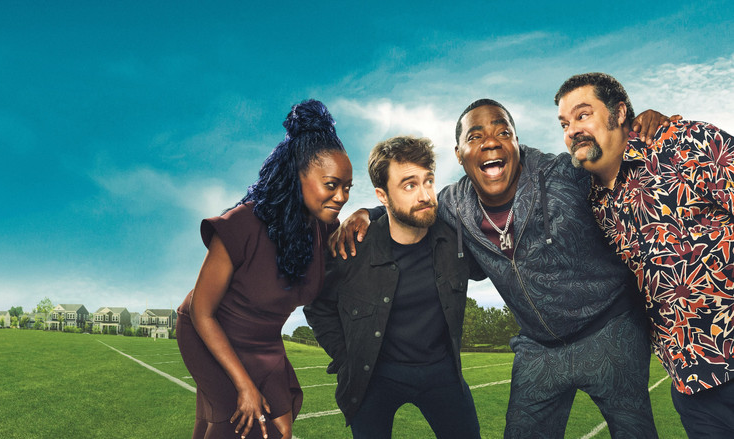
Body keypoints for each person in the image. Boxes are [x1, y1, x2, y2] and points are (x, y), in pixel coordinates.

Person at [331, 100, 676, 438]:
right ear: (459, 155)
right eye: (475, 136)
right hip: (539, 348)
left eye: (503, 132)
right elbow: (411, 207)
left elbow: (615, 160)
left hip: (610, 331)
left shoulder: (564, 174)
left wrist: (645, 130)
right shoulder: (453, 205)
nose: (490, 142)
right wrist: (368, 213)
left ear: (516, 142)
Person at [555, 72, 734, 438]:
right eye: (564, 124)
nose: (573, 130)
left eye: (583, 114)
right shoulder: (585, 201)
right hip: (692, 386)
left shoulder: (684, 143)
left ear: (620, 113)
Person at [176, 99, 353, 439]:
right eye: (332, 185)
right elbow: (201, 312)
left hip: (264, 343)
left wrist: (365, 215)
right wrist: (244, 385)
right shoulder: (242, 223)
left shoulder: (323, 226)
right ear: (297, 176)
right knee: (243, 425)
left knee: (280, 429)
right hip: (209, 331)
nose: (342, 197)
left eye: (348, 188)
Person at [304, 136, 484, 438]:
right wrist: (346, 358)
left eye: (428, 181)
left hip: (441, 371)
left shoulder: (455, 239)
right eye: (409, 185)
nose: (425, 195)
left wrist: (369, 210)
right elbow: (317, 305)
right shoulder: (352, 248)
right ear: (382, 195)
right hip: (374, 375)